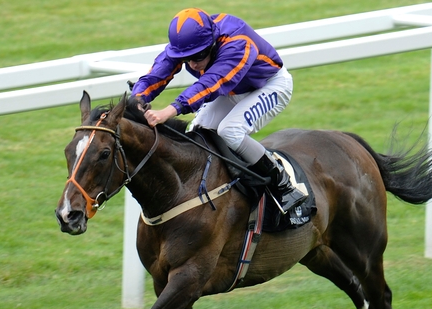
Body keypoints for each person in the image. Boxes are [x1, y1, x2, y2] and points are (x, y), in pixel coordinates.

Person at [129, 8, 306, 214]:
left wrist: (170, 110)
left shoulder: (237, 44)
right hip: (232, 91)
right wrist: (137, 99)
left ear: (213, 42)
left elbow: (210, 84)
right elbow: (159, 72)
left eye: (199, 56)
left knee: (229, 131)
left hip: (269, 86)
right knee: (197, 132)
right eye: (187, 59)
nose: (193, 64)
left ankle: (283, 184)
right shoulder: (189, 43)